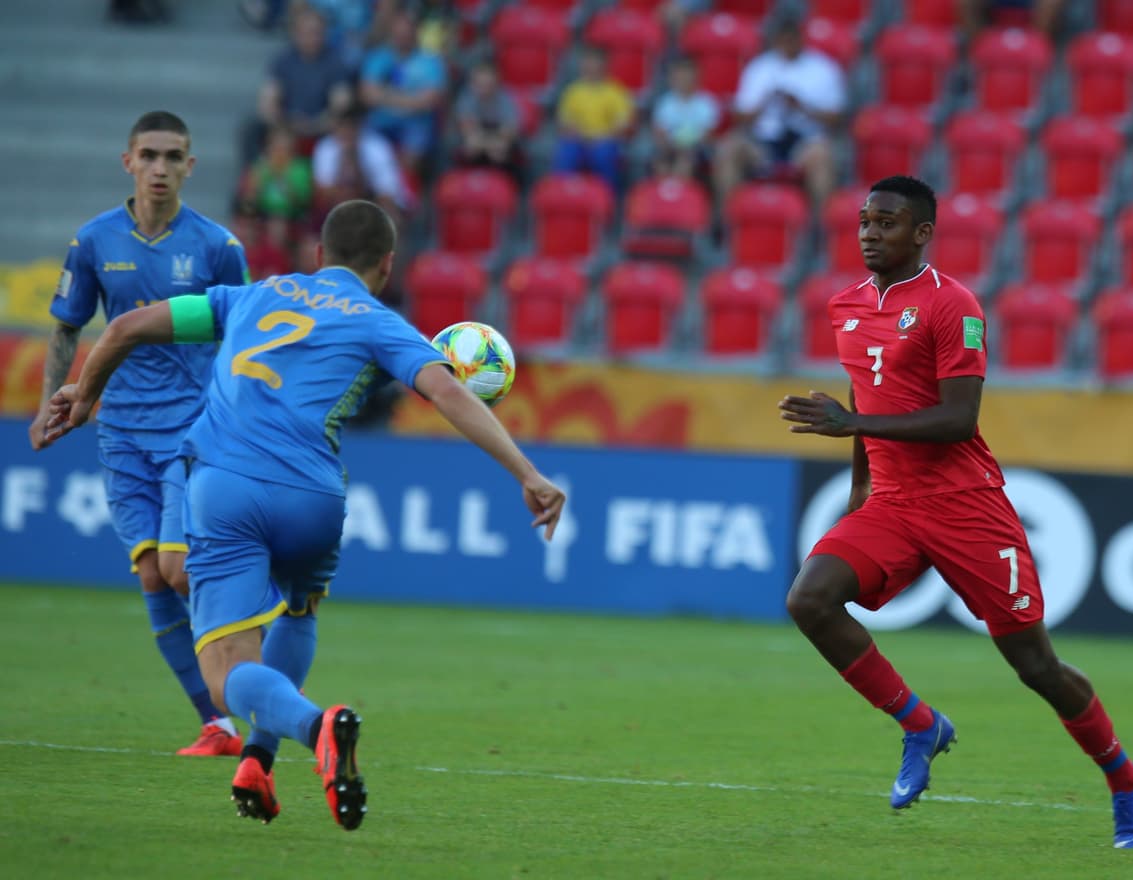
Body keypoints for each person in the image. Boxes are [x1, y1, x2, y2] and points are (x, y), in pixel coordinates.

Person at [38, 200, 567, 830]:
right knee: (299, 608)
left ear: (319, 255)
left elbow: (124, 329)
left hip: (226, 487)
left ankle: (318, 727)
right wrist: (528, 474)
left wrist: (84, 395)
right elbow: (449, 390)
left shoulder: (247, 297)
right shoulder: (381, 322)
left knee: (225, 675)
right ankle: (258, 760)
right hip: (313, 499)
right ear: (388, 266)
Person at [777, 176, 1133, 849]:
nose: (871, 233)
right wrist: (860, 488)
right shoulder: (845, 305)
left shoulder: (954, 306)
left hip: (965, 506)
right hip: (893, 502)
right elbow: (867, 401)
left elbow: (958, 420)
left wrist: (850, 423)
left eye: (888, 223)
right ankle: (920, 724)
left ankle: (1126, 779)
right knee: (809, 599)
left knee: (1037, 668)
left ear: (922, 232)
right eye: (865, 221)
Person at [27, 111, 251, 757]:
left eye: (172, 156)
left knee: (178, 570)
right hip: (121, 430)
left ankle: (257, 604)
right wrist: (52, 405)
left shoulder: (217, 249)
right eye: (149, 155)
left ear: (190, 166)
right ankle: (220, 725)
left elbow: (245, 338)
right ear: (128, 162)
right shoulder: (94, 240)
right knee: (153, 576)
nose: (160, 167)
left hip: (191, 429)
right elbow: (67, 326)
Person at [714, 15, 843, 210]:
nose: (788, 44)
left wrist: (802, 107)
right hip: (763, 142)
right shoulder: (760, 67)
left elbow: (837, 119)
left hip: (803, 143)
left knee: (823, 155)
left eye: (792, 39)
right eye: (783, 39)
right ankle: (730, 221)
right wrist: (765, 103)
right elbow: (739, 116)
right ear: (776, 40)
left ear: (801, 38)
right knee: (729, 148)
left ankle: (820, 229)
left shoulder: (823, 68)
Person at [247, 4, 353, 162]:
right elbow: (268, 100)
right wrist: (284, 123)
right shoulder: (283, 61)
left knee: (344, 131)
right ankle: (254, 181)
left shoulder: (335, 62)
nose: (311, 37)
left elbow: (341, 105)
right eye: (306, 32)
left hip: (323, 127)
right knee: (251, 130)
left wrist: (315, 125)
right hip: (288, 125)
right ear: (295, 33)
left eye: (316, 32)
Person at [359, 8, 448, 176]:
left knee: (414, 145)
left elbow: (429, 101)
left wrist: (385, 96)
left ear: (415, 33)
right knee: (363, 145)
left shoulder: (430, 61)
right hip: (381, 121)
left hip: (416, 123)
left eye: (406, 33)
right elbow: (367, 96)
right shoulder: (378, 57)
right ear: (392, 33)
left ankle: (406, 195)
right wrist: (411, 99)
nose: (402, 37)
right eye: (398, 33)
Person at [553, 45, 634, 195]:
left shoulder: (616, 92)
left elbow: (622, 125)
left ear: (604, 65)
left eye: (595, 62)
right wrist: (578, 135)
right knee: (567, 151)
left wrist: (600, 137)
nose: (591, 67)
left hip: (605, 141)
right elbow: (564, 122)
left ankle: (607, 199)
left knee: (603, 153)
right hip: (579, 140)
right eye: (587, 62)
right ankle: (562, 195)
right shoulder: (572, 92)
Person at [454, 60, 524, 183]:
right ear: (472, 84)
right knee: (470, 149)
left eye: (488, 84)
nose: (484, 89)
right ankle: (469, 185)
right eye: (479, 84)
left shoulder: (506, 100)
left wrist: (490, 143)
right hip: (480, 138)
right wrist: (488, 143)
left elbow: (508, 133)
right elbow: (468, 130)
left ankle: (502, 187)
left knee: (499, 152)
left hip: (498, 140)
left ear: (496, 84)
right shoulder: (466, 99)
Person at [651, 55, 719, 180]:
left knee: (684, 163)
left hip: (698, 149)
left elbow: (708, 135)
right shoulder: (665, 103)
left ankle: (682, 198)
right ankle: (664, 196)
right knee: (661, 164)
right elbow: (659, 133)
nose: (683, 79)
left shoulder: (707, 103)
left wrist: (687, 148)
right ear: (672, 79)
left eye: (687, 75)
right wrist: (672, 147)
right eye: (679, 75)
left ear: (696, 77)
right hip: (671, 147)